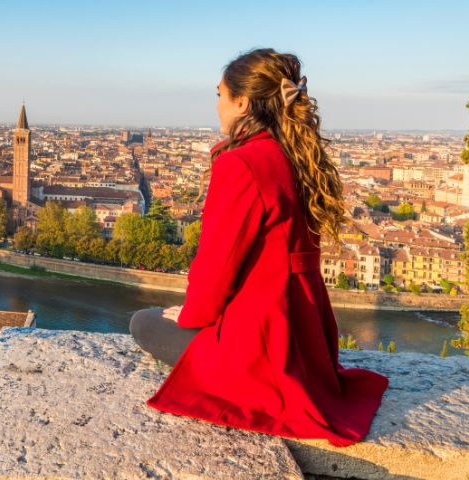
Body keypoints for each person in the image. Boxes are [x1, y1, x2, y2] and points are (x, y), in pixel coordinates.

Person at [130, 48, 389, 448]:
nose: (216, 106)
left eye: (219, 95)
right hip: (306, 340)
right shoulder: (298, 153)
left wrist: (192, 317)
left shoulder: (241, 163)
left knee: (144, 322)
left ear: (242, 102)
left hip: (262, 346)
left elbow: (216, 265)